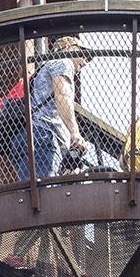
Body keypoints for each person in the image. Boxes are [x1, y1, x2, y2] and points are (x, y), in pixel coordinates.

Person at [26, 36, 94, 180]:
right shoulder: (63, 62)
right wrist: (75, 133)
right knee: (44, 194)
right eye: (82, 53)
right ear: (67, 48)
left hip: (30, 136)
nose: (85, 61)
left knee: (29, 192)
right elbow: (62, 95)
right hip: (43, 136)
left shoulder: (44, 68)